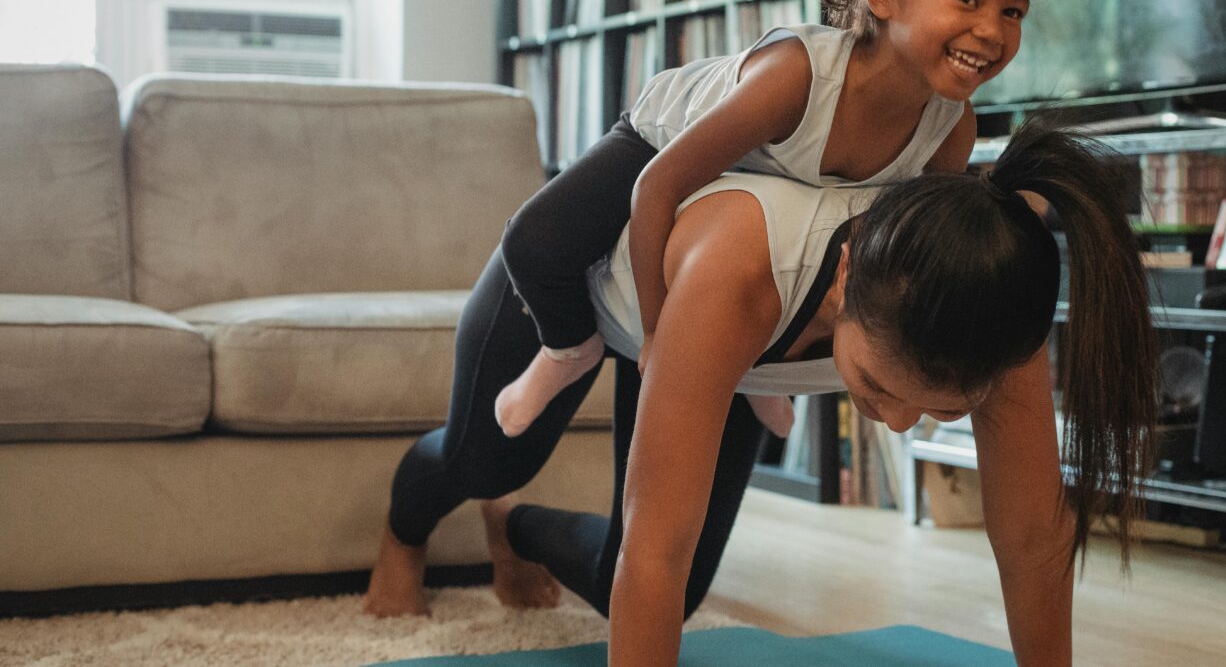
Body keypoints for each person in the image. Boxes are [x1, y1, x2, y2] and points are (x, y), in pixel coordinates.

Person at [363, 117, 1159, 667]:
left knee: (651, 594)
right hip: (573, 293)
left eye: (944, 408)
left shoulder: (991, 303)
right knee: (484, 459)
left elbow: (1031, 539)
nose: (907, 422)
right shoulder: (745, 272)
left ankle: (516, 530)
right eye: (880, 387)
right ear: (845, 279)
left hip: (712, 352)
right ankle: (406, 531)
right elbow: (656, 539)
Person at [492, 0, 1034, 440]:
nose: (992, 31)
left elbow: (899, 250)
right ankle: (567, 349)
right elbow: (658, 185)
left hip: (779, 199)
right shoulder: (797, 77)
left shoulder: (951, 126)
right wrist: (657, 335)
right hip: (659, 139)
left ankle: (760, 381)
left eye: (1013, 12)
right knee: (530, 242)